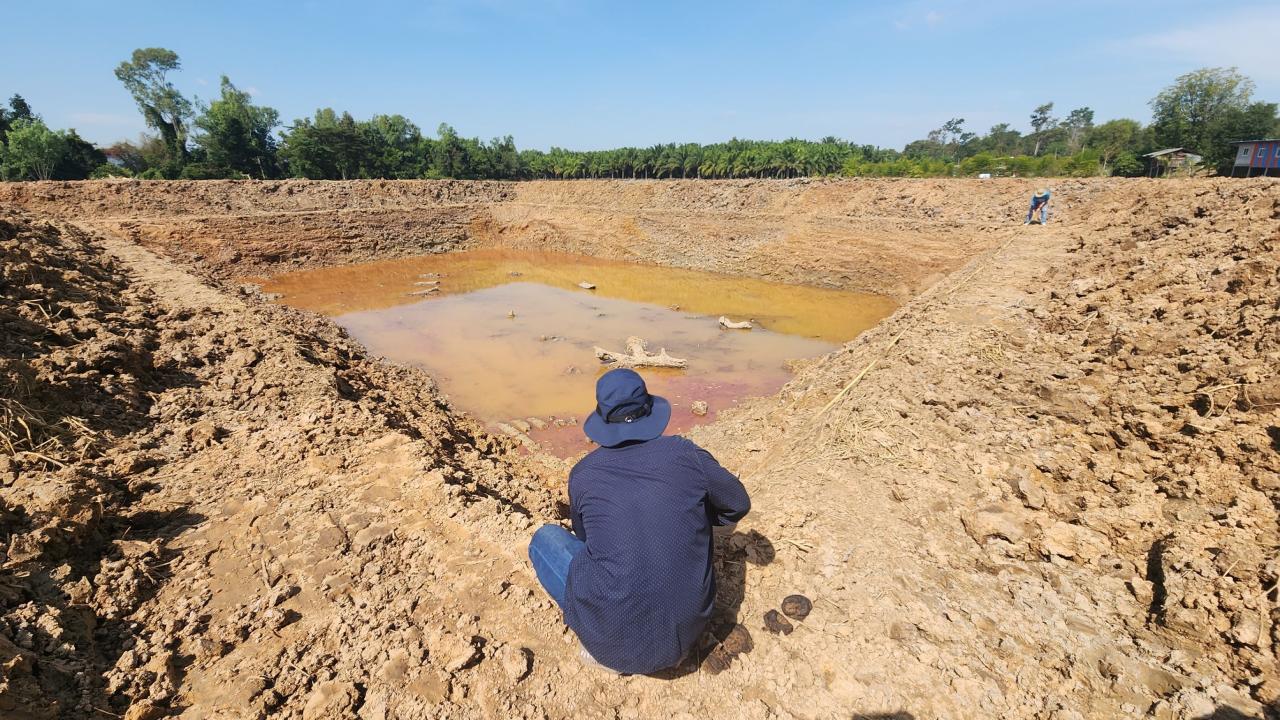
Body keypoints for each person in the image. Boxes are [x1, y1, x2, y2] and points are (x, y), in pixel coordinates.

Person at [527, 368, 751, 675]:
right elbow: (737, 504)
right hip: (688, 630)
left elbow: (585, 540)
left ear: (603, 419)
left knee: (546, 539)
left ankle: (599, 636)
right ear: (649, 410)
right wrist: (697, 516)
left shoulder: (583, 474)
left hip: (610, 646)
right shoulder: (686, 455)